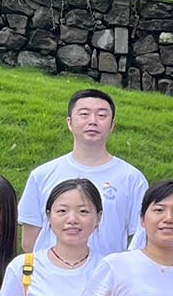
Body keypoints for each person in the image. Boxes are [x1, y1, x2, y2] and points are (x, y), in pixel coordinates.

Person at [17, 87, 148, 255]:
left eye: (102, 116)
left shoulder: (132, 178)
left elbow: (141, 237)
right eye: (84, 114)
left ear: (112, 125)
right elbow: (29, 242)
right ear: (69, 122)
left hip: (107, 270)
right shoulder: (42, 175)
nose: (93, 121)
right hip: (50, 270)